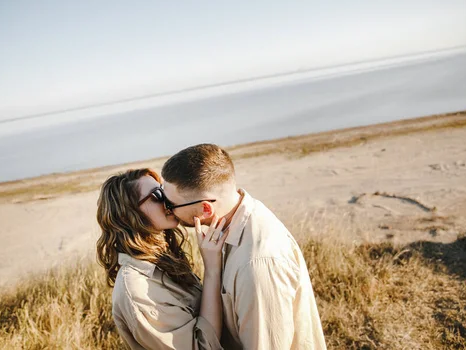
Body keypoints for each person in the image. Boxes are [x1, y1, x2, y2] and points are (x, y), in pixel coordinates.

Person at [161, 144, 326, 350]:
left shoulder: (257, 264)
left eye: (170, 204)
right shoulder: (232, 222)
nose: (167, 210)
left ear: (205, 208)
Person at [96, 168, 228, 349]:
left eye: (163, 190)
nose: (168, 200)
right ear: (129, 214)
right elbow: (201, 347)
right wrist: (212, 270)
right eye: (158, 195)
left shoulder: (161, 260)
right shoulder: (137, 290)